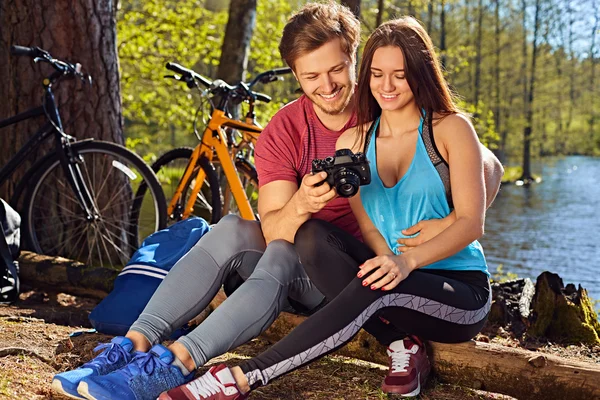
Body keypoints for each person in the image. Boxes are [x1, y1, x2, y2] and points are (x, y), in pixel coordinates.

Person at [52, 4, 502, 400]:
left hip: (376, 274)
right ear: (295, 75)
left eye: (336, 70)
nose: (327, 86)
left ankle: (182, 365)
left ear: (353, 60)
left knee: (306, 253)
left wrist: (442, 229)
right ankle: (133, 346)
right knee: (239, 229)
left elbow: (487, 171)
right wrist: (304, 200)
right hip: (320, 263)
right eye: (311, 76)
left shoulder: (389, 106)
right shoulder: (295, 131)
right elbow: (276, 231)